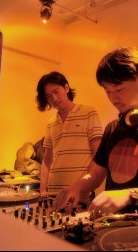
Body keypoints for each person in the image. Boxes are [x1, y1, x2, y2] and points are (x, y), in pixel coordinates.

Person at [54, 46, 138, 227]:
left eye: (119, 89)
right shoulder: (112, 128)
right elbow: (96, 174)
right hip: (109, 228)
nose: (113, 99)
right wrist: (76, 187)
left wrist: (129, 195)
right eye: (108, 91)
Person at [36, 71, 103, 199]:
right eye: (49, 96)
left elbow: (98, 152)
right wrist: (43, 190)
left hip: (80, 193)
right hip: (54, 194)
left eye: (56, 92)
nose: (54, 99)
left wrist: (86, 185)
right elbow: (47, 160)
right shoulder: (50, 123)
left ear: (66, 88)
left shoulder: (88, 112)